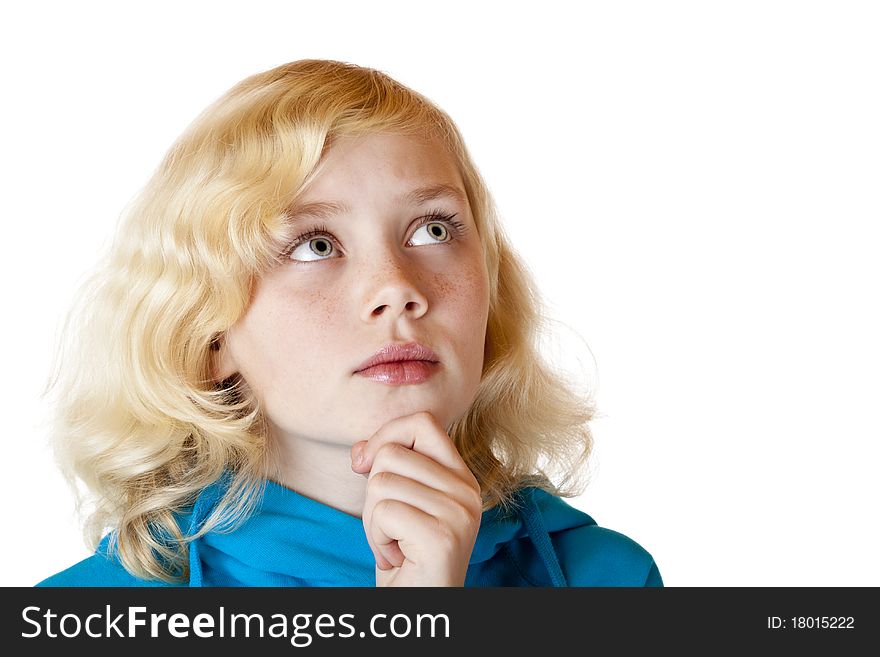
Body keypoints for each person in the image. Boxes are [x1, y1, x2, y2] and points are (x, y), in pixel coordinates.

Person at [37, 59, 662, 587]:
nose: (397, 288)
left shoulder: (607, 579)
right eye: (314, 244)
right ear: (208, 334)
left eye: (433, 229)